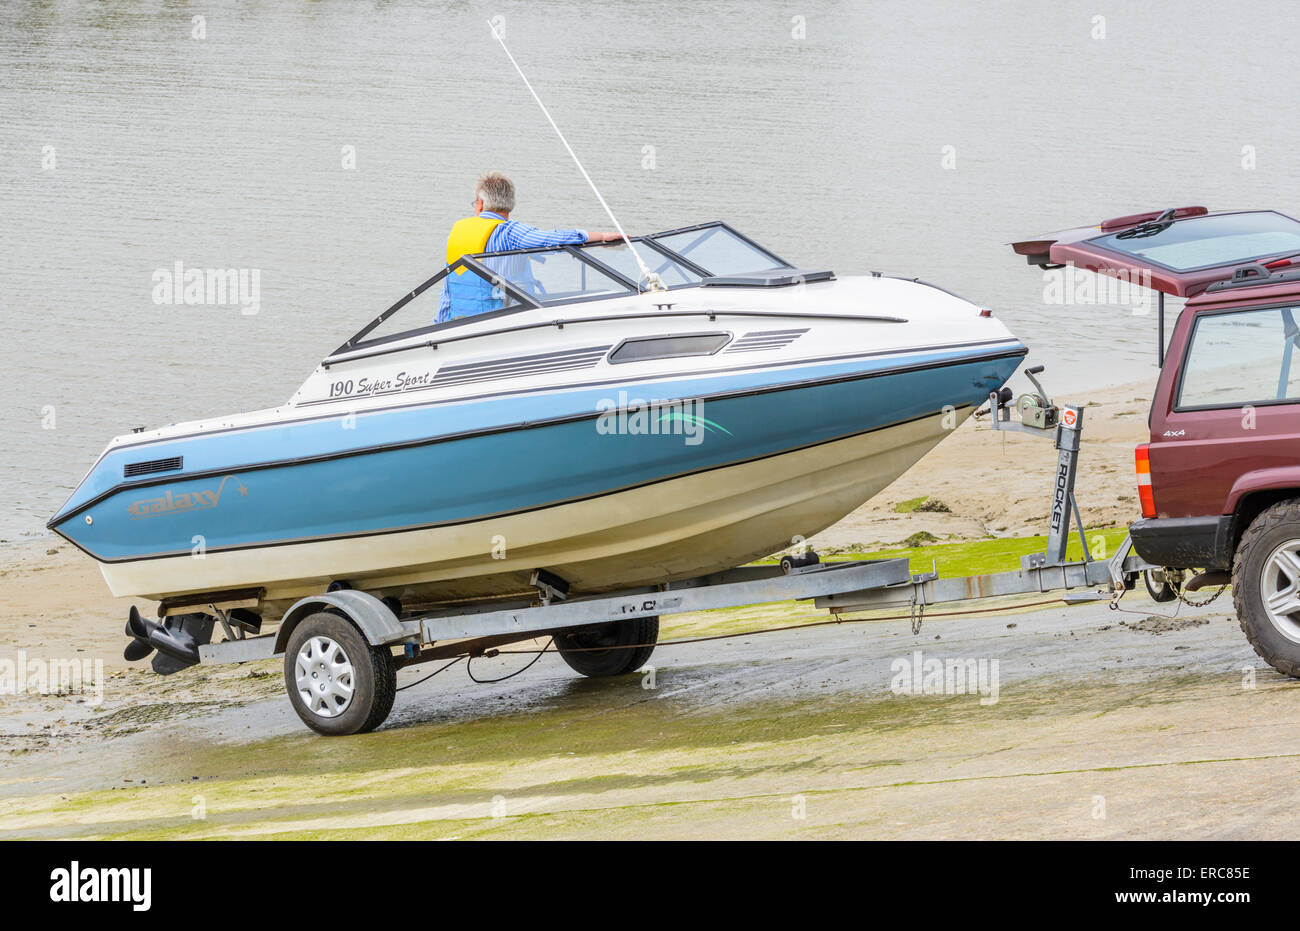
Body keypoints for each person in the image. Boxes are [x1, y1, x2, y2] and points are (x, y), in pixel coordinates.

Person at [438, 171, 621, 322]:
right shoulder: (510, 232)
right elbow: (550, 240)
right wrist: (600, 236)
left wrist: (439, 326)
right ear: (511, 204)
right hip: (501, 323)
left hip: (458, 325)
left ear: (481, 204)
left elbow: (447, 291)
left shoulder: (454, 234)